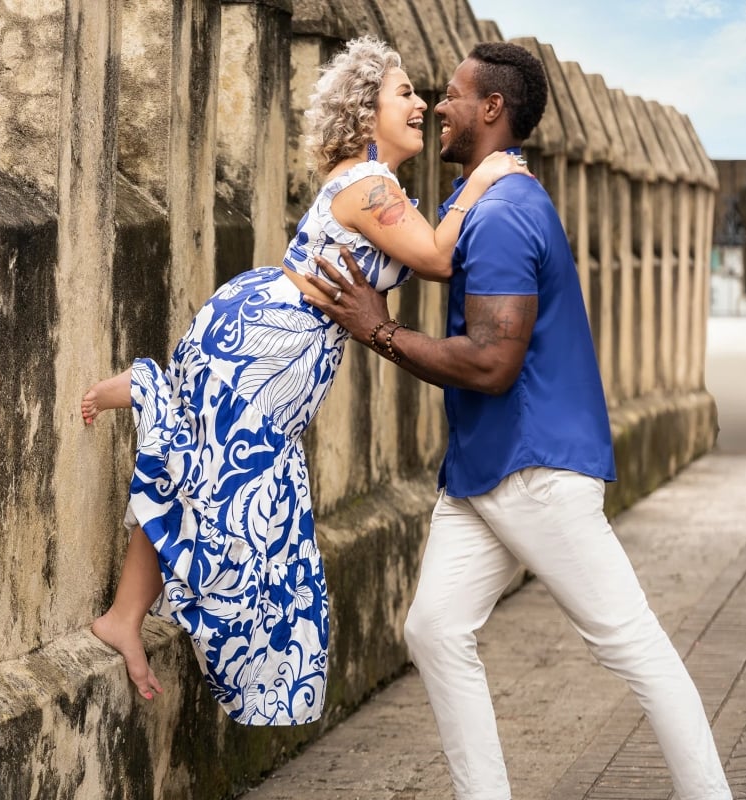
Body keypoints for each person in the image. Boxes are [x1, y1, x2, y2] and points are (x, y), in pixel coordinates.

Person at [302, 42, 731, 798]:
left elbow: (493, 363)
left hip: (534, 471)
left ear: (492, 109)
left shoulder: (500, 213)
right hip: (483, 472)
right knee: (433, 629)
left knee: (632, 645)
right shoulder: (487, 197)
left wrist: (380, 330)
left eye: (455, 96)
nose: (438, 105)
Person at [80, 36, 529, 726]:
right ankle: (146, 390)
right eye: (403, 93)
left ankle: (123, 613)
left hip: (272, 340)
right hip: (268, 345)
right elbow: (440, 258)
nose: (421, 103)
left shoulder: (375, 183)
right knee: (224, 494)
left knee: (203, 471)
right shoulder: (368, 186)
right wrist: (489, 174)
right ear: (364, 111)